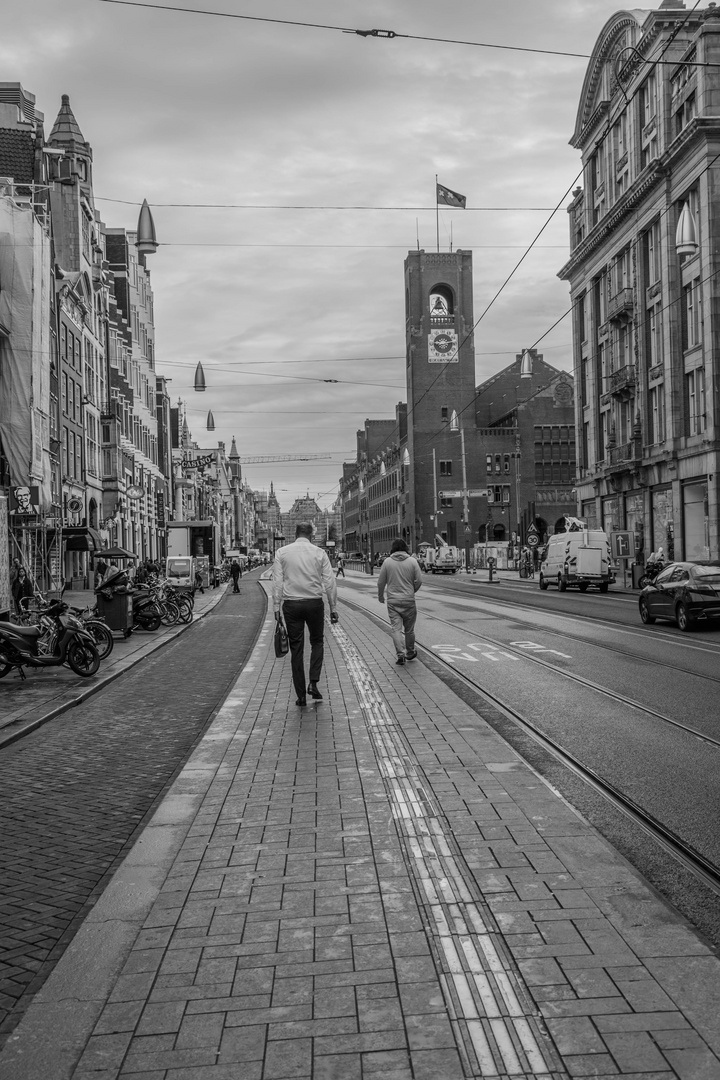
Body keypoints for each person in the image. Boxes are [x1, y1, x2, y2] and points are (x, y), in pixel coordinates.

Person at [272, 521, 338, 707]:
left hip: (291, 604)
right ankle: (314, 682)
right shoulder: (320, 553)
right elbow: (330, 582)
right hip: (314, 603)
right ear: (311, 535)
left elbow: (277, 581)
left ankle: (301, 695)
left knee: (297, 649)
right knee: (317, 642)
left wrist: (276, 606)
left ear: (295, 533)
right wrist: (333, 608)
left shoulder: (282, 553)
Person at [377, 537, 422, 665]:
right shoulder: (413, 562)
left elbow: (381, 582)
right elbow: (419, 580)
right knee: (409, 629)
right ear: (405, 548)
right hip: (409, 600)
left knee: (396, 629)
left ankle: (400, 655)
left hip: (393, 601)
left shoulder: (387, 562)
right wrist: (412, 591)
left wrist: (381, 596)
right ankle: (410, 651)